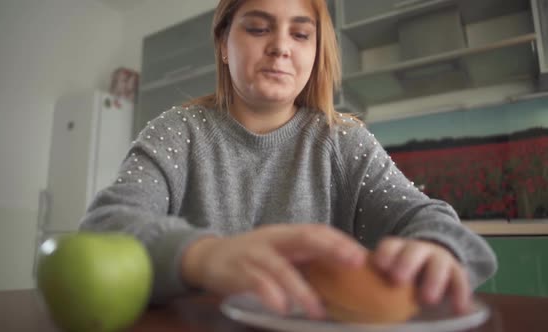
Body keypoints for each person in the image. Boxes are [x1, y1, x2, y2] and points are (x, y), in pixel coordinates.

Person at [80, 0, 497, 320]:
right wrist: (203, 257)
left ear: (316, 53)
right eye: (259, 28)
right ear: (224, 45)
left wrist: (436, 246)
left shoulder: (344, 140)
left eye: (301, 35)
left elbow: (427, 218)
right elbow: (104, 228)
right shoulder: (177, 131)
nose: (280, 46)